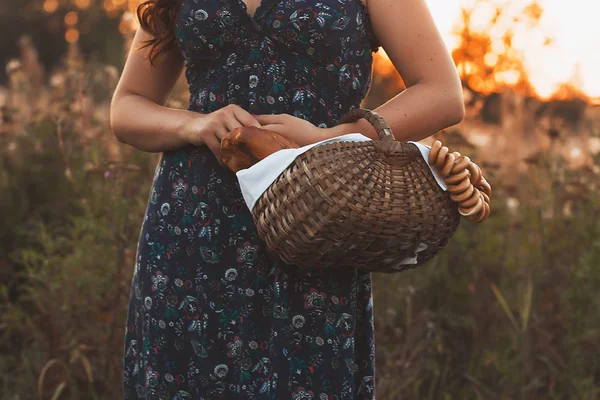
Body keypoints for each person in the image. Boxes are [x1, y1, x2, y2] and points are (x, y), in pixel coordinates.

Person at [110, 0, 464, 397]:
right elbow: (127, 107)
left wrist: (327, 139)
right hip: (190, 228)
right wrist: (196, 124)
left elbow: (442, 93)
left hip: (310, 223)